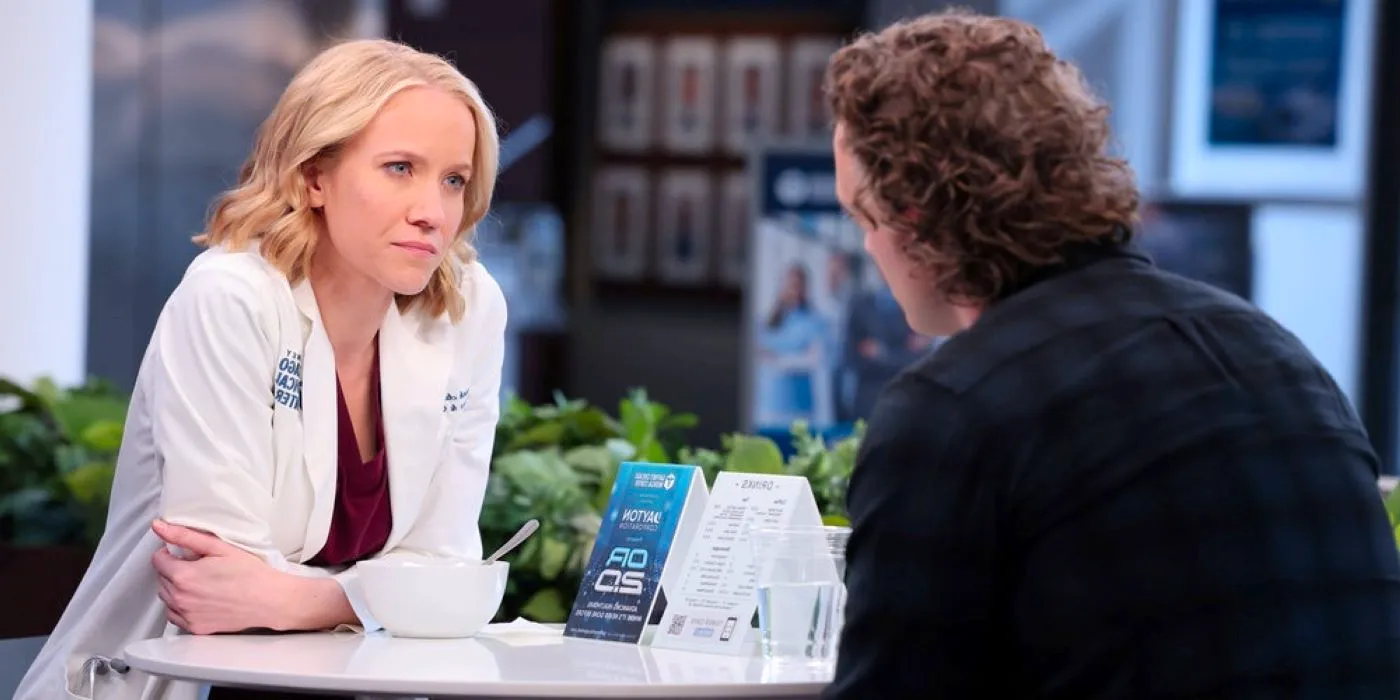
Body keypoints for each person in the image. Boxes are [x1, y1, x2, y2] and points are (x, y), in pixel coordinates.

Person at [823, 9, 1400, 699]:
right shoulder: (1280, 359)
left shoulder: (957, 410)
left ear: (911, 215)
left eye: (863, 216)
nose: (866, 246)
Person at [18, 38, 507, 700]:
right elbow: (216, 587)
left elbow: (449, 567)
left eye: (454, 179)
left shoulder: (467, 307)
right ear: (314, 177)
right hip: (182, 683)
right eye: (399, 168)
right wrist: (383, 597)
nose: (433, 210)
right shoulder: (230, 297)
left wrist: (301, 598)